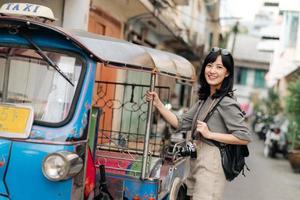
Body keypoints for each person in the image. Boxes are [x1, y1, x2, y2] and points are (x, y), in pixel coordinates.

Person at [146, 47, 252, 200]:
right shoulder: (205, 99)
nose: (212, 70)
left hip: (212, 162)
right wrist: (158, 104)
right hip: (197, 159)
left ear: (227, 73)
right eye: (209, 65)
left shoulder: (226, 102)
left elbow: (244, 136)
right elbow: (180, 123)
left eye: (219, 67)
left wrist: (210, 134)